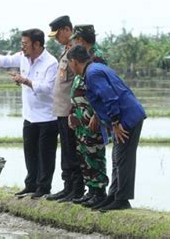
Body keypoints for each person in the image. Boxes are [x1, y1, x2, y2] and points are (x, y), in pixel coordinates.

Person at [67, 45, 146, 211]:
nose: (69, 67)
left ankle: (122, 199)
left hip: (126, 119)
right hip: (124, 117)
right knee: (117, 158)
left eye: (69, 63)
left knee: (124, 159)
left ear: (74, 62)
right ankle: (114, 196)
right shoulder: (95, 69)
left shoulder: (92, 73)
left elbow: (110, 98)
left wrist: (116, 123)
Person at [0, 28, 58, 199]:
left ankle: (43, 187)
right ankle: (30, 185)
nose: (23, 47)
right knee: (30, 153)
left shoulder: (51, 62)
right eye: (22, 44)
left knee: (45, 155)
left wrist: (25, 81)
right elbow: (8, 59)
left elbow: (48, 89)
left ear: (37, 44)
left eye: (25, 44)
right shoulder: (24, 58)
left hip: (48, 117)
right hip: (29, 116)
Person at [67, 24, 109, 207]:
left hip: (91, 116)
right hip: (80, 114)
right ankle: (91, 190)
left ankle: (99, 191)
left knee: (94, 153)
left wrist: (97, 115)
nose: (74, 43)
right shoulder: (82, 56)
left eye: (76, 39)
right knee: (84, 153)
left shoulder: (96, 58)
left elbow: (100, 90)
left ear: (81, 40)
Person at [44, 15, 85, 202]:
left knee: (72, 151)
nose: (57, 38)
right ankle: (67, 186)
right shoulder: (66, 50)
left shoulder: (76, 52)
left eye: (58, 34)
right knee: (66, 150)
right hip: (61, 110)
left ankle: (76, 189)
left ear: (67, 30)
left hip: (70, 110)